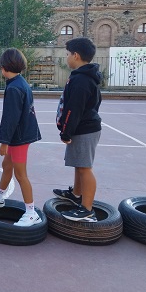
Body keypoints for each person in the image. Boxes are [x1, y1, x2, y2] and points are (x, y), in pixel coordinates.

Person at [0, 48, 42, 227]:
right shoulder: (20, 82)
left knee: (21, 175)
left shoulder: (14, 88)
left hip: (19, 137)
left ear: (4, 67)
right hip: (21, 134)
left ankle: (31, 212)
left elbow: (10, 118)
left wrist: (4, 142)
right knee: (7, 165)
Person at [54, 37, 102, 222]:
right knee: (79, 164)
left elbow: (73, 109)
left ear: (76, 55)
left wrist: (66, 131)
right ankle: (76, 194)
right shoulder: (84, 76)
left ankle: (87, 209)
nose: (66, 57)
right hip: (82, 127)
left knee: (84, 168)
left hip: (84, 129)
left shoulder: (82, 80)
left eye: (67, 54)